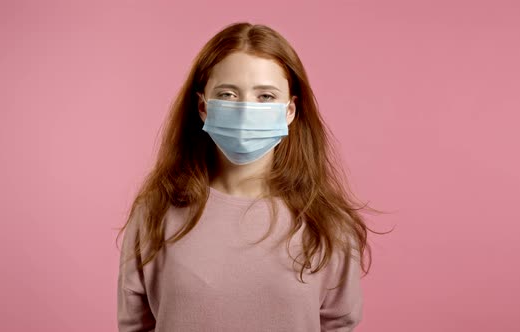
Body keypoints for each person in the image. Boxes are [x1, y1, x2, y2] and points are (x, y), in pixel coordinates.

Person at [116, 22, 383, 332]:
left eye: (266, 96)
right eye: (228, 94)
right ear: (203, 107)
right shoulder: (155, 212)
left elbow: (338, 324)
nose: (245, 110)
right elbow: (135, 324)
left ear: (290, 111)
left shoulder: (328, 223)